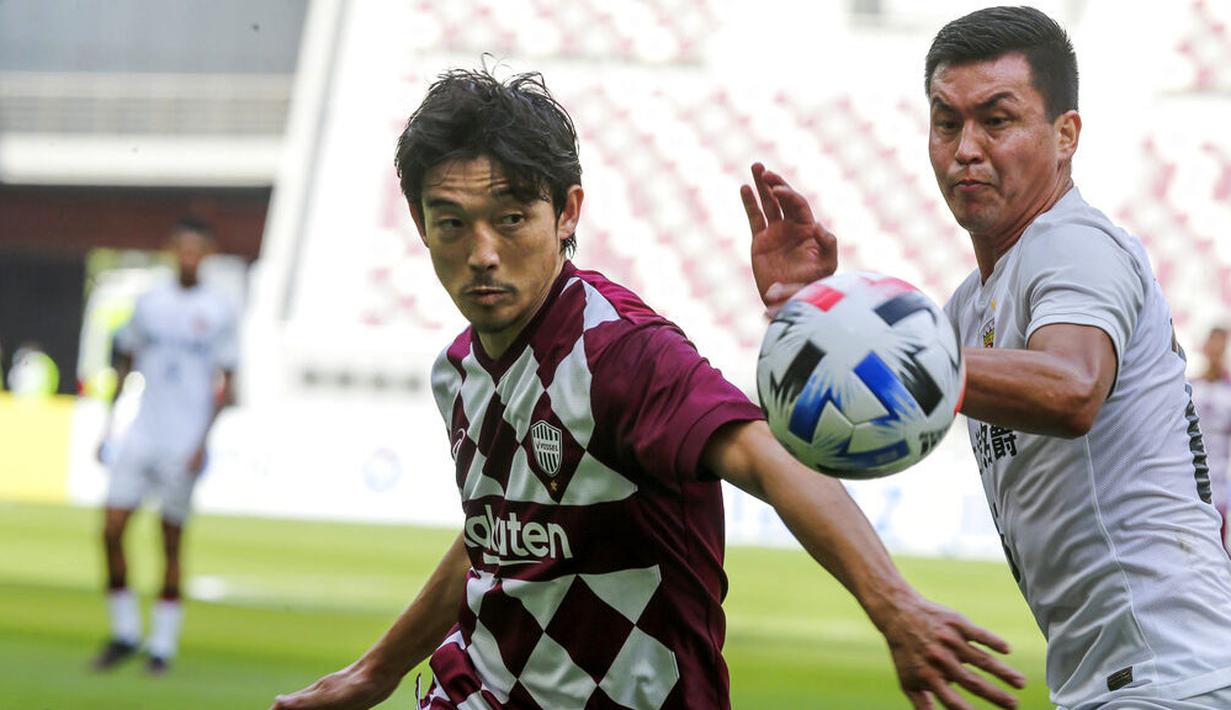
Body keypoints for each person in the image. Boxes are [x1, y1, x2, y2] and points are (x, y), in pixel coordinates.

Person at [271, 69, 1025, 710]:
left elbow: (768, 458)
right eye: (452, 225)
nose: (483, 255)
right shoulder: (460, 367)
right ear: (418, 224)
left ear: (567, 212)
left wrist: (893, 605)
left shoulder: (620, 354)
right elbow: (496, 534)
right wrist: (374, 674)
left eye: (511, 219)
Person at [743, 6, 1231, 709]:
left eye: (995, 121)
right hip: (1130, 679)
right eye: (947, 122)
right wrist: (820, 317)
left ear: (1065, 135)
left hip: (1172, 680)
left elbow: (1070, 390)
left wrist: (872, 338)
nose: (965, 148)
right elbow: (852, 434)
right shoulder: (969, 307)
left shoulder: (1073, 245)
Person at [91, 219, 238, 674]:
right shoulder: (149, 302)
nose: (189, 257)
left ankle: (161, 645)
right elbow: (127, 361)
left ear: (208, 254)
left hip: (184, 439)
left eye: (198, 250)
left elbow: (226, 382)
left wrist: (203, 442)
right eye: (183, 248)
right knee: (111, 529)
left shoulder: (220, 309)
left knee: (170, 541)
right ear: (171, 249)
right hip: (142, 431)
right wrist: (109, 424)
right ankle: (124, 631)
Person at [1192, 326, 1231, 548]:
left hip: (1219, 482)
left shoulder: (1228, 391)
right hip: (1189, 477)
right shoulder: (1191, 386)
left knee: (1217, 544)